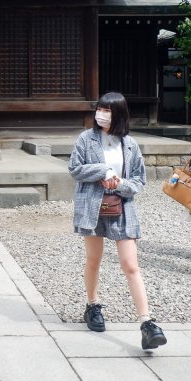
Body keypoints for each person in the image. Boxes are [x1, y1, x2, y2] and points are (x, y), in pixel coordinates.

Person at [68, 91, 167, 351]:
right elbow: (75, 169)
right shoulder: (86, 139)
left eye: (107, 110)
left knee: (131, 265)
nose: (101, 114)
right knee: (93, 260)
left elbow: (138, 181)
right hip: (92, 204)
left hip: (122, 205)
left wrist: (120, 183)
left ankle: (147, 323)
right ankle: (92, 304)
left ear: (119, 113)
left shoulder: (130, 144)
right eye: (99, 109)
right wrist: (104, 171)